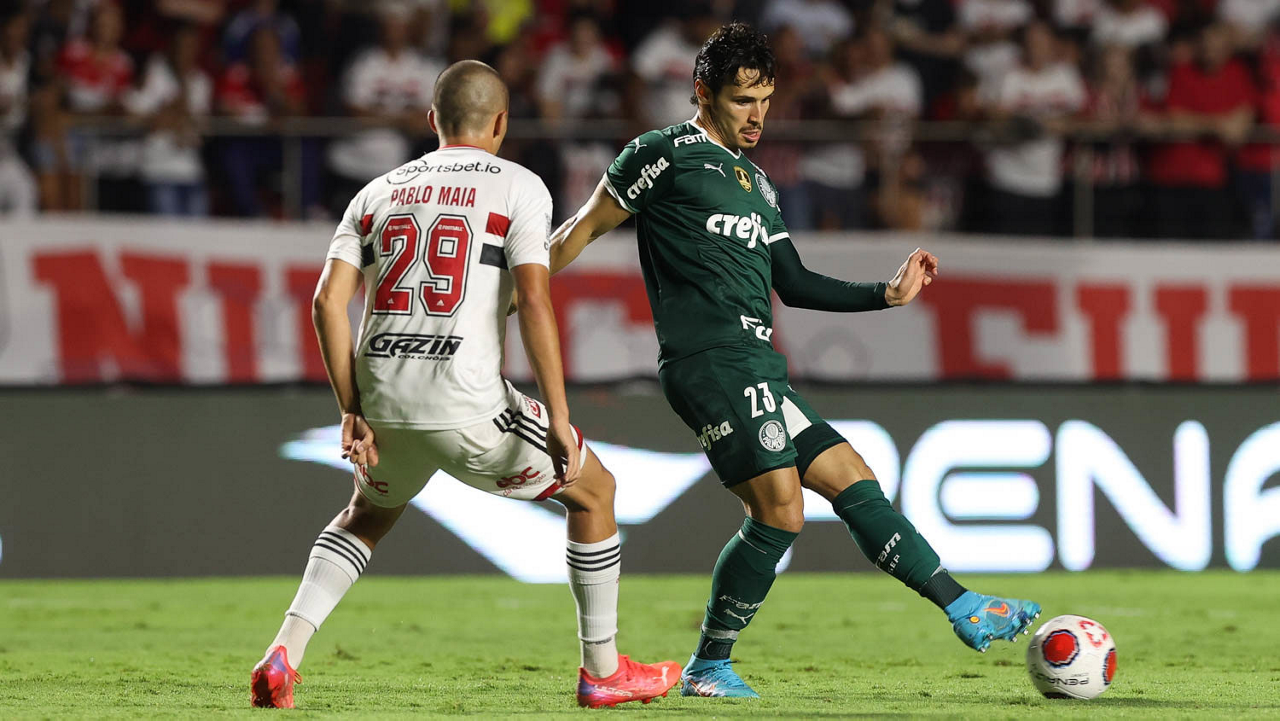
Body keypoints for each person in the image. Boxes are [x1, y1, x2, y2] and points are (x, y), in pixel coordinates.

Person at [548, 23, 1041, 698]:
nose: (757, 115)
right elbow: (580, 228)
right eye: (742, 100)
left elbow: (796, 282)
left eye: (765, 100)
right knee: (780, 512)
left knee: (852, 476)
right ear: (702, 92)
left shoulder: (756, 181)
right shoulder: (662, 153)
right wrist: (514, 292)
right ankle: (709, 665)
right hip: (709, 361)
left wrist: (887, 294)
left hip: (757, 361)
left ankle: (962, 604)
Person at [249, 60, 680, 710]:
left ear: (432, 121)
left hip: (384, 402)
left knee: (368, 512)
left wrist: (350, 409)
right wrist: (559, 415)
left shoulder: (376, 191)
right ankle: (602, 670)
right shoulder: (519, 186)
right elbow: (534, 301)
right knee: (595, 491)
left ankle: (284, 650)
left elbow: (325, 302)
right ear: (501, 122)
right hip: (469, 404)